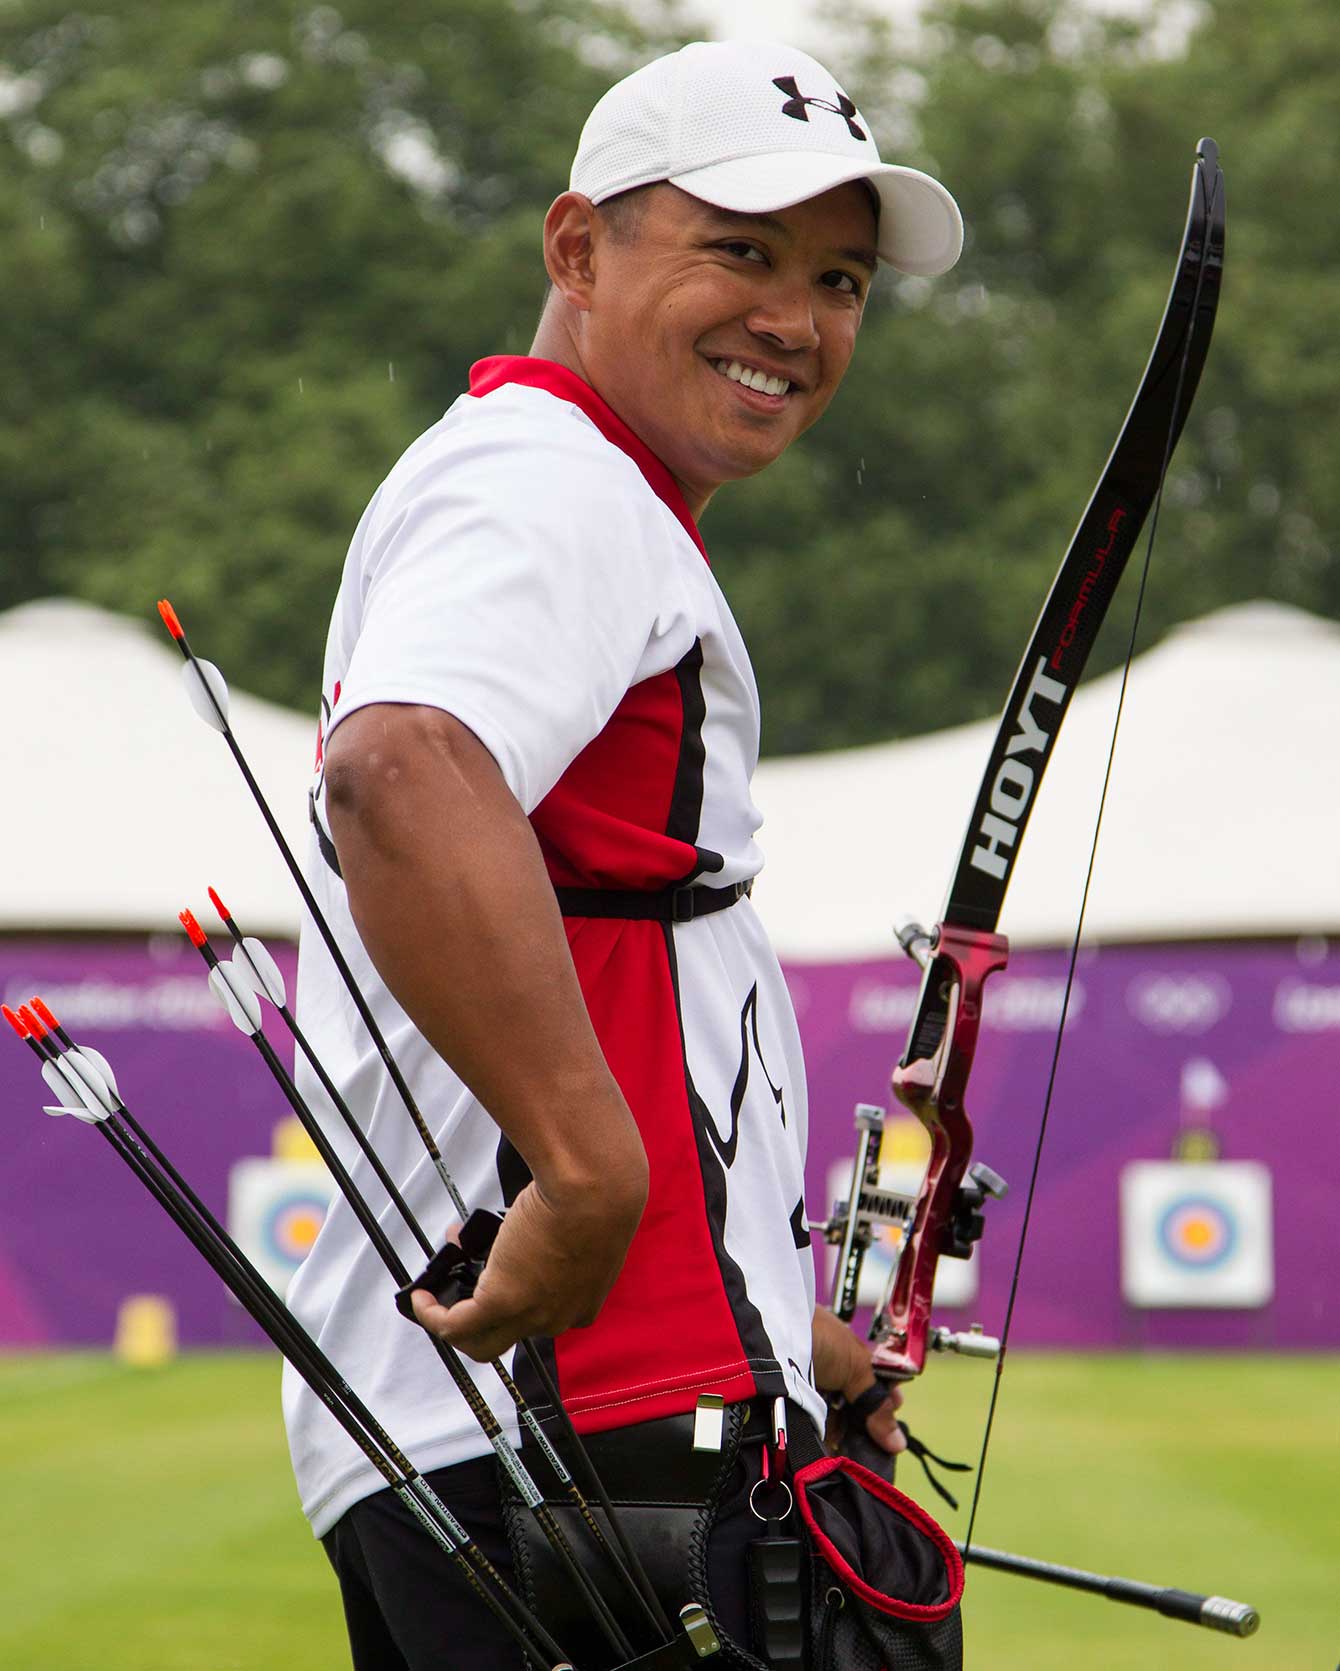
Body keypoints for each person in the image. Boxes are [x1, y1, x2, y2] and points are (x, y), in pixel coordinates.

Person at [286, 37, 963, 1670]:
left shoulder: (564, 487)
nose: (797, 319)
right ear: (577, 249)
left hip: (557, 1420)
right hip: (598, 1419)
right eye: (741, 250)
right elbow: (401, 768)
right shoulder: (550, 482)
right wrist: (591, 1179)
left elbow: (603, 955)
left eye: (841, 279)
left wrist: (787, 1329)